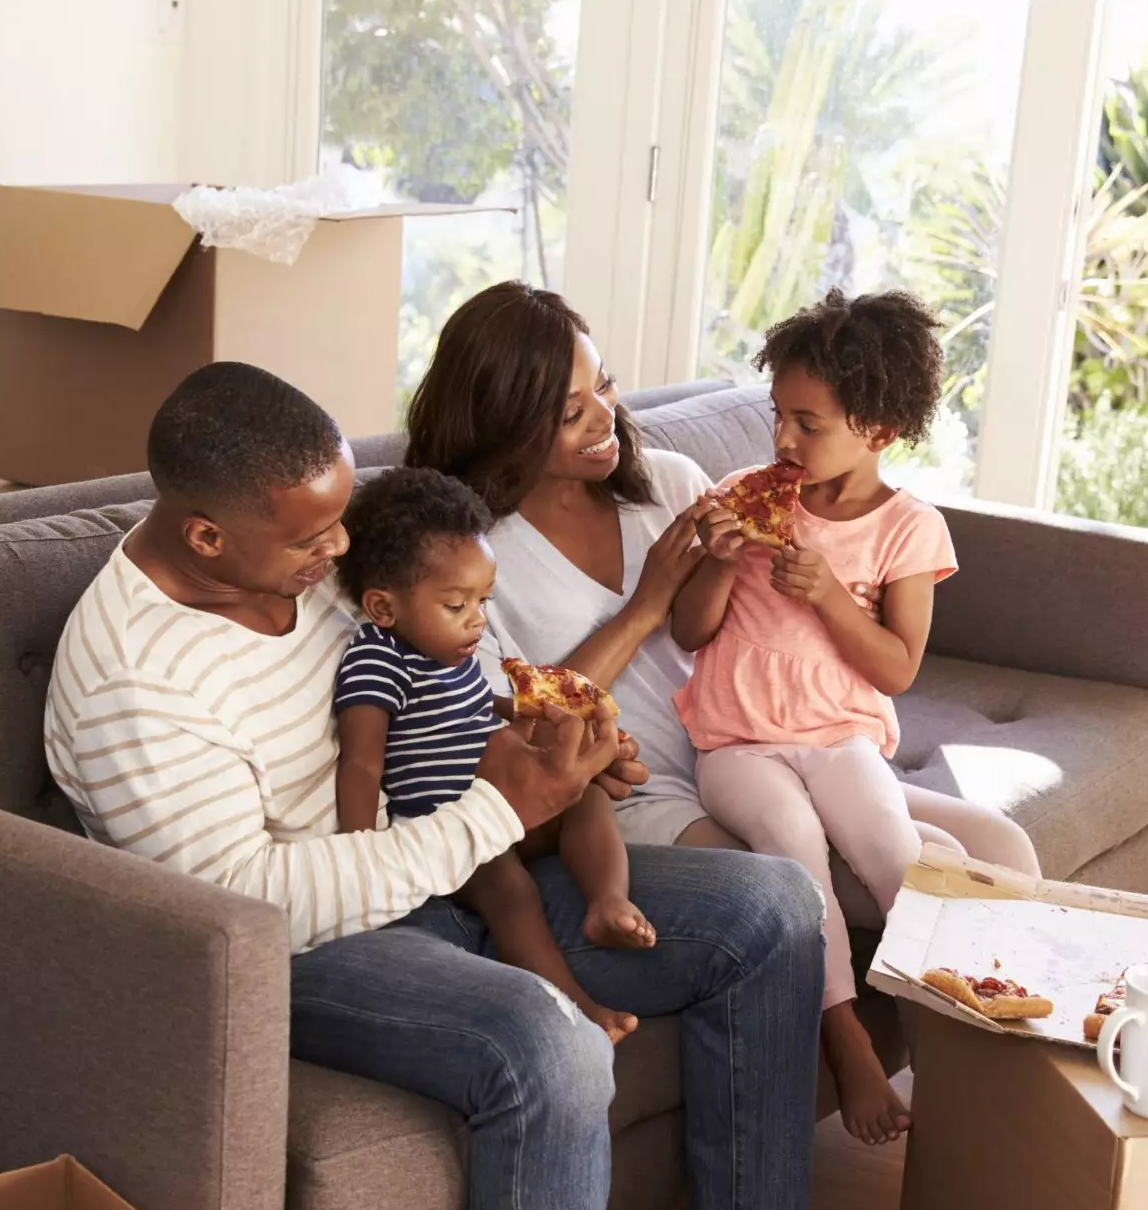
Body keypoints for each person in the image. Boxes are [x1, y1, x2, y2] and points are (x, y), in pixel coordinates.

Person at [45, 362, 865, 1210]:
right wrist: (499, 813)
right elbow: (247, 901)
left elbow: (441, 683)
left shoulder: (320, 562)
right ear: (206, 538)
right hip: (294, 944)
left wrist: (551, 752)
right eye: (309, 541)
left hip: (446, 858)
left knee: (769, 909)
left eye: (341, 525)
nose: (339, 557)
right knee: (543, 1041)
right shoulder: (132, 682)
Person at [405, 283, 1041, 1139]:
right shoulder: (471, 555)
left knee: (996, 848)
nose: (605, 419)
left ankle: (1000, 1094)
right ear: (507, 422)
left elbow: (775, 622)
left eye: (607, 387)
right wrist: (647, 601)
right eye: (570, 411)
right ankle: (885, 1057)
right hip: (642, 794)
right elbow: (520, 717)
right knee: (919, 866)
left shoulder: (667, 482)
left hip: (766, 740)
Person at [673, 289, 964, 1143]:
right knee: (795, 849)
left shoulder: (909, 528)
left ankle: (953, 1042)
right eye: (778, 418)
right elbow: (689, 630)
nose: (783, 442)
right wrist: (721, 564)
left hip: (840, 737)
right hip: (735, 744)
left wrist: (833, 597)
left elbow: (898, 666)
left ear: (878, 428)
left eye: (808, 423)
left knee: (893, 852)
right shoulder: (741, 495)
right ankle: (844, 1034)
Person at [332, 466, 649, 1046]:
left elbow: (481, 708)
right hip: (451, 831)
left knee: (587, 797)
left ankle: (608, 901)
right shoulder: (377, 660)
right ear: (383, 607)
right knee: (511, 892)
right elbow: (360, 762)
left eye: (484, 600)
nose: (478, 619)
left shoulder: (451, 652)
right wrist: (363, 860)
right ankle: (578, 1006)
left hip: (507, 808)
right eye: (457, 605)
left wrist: (536, 716)